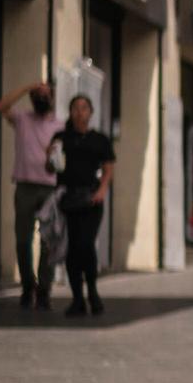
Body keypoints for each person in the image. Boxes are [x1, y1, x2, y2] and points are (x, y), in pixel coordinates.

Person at [0, 81, 61, 309]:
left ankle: (44, 290)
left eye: (46, 94)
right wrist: (25, 87)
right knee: (23, 240)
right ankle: (27, 286)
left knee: (48, 242)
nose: (43, 97)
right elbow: (1, 106)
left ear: (52, 97)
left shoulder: (59, 125)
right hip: (24, 186)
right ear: (33, 98)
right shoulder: (22, 119)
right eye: (38, 94)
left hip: (49, 188)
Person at [52, 95, 114, 318]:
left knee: (86, 244)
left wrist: (102, 190)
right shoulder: (61, 138)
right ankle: (77, 298)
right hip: (69, 199)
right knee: (73, 247)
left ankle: (93, 293)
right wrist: (51, 156)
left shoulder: (99, 140)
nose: (80, 112)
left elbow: (108, 167)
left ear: (91, 112)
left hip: (91, 199)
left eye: (84, 108)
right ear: (70, 112)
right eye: (76, 108)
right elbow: (51, 168)